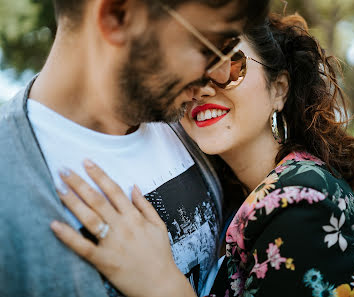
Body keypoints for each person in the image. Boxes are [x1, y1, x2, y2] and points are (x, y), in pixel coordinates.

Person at [50, 12, 354, 297]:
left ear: (278, 90)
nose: (201, 88)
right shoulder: (250, 191)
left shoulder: (303, 205)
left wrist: (160, 282)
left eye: (226, 63)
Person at [0, 0, 270, 296]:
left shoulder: (188, 127)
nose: (218, 78)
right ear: (118, 15)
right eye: (209, 48)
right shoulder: (10, 193)